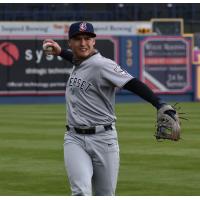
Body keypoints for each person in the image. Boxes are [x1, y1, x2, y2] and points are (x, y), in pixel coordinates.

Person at [43, 21, 170, 196]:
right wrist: (59, 52)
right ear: (70, 42)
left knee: (105, 195)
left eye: (87, 38)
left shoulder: (103, 65)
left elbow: (133, 83)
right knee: (80, 192)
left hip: (104, 139)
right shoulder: (78, 61)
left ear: (94, 41)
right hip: (74, 139)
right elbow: (76, 58)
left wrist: (159, 104)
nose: (83, 43)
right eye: (78, 39)